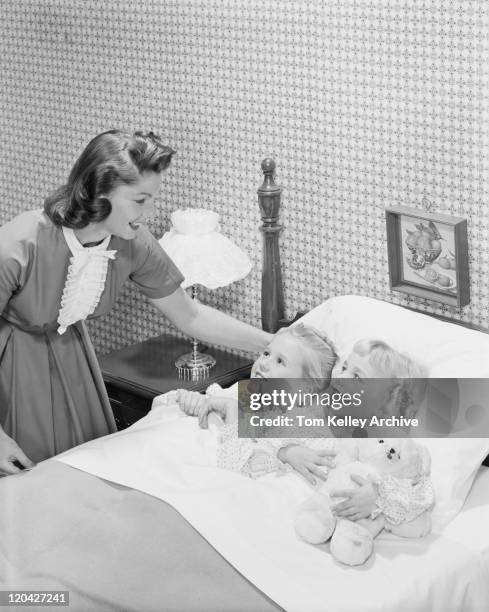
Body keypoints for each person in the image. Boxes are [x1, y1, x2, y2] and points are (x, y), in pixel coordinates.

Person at [0, 129, 271, 474]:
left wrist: (271, 343)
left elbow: (189, 315)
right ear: (98, 190)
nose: (150, 212)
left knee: (84, 475)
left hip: (75, 362)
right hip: (11, 367)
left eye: (153, 199)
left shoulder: (133, 241)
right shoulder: (20, 244)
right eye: (140, 200)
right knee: (24, 488)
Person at [178, 331, 432, 526]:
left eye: (357, 377)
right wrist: (286, 452)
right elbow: (255, 443)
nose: (341, 378)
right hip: (269, 491)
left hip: (308, 515)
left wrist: (377, 497)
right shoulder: (310, 410)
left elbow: (419, 494)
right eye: (344, 367)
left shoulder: (388, 446)